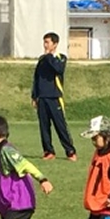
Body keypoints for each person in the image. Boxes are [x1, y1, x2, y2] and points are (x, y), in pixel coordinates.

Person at [31, 31, 77, 161]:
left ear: (55, 44)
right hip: (42, 98)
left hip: (54, 97)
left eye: (47, 42)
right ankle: (48, 151)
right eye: (44, 42)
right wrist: (34, 96)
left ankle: (70, 151)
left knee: (60, 125)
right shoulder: (41, 59)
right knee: (44, 126)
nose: (45, 45)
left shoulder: (60, 58)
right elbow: (37, 78)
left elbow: (58, 69)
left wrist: (49, 56)